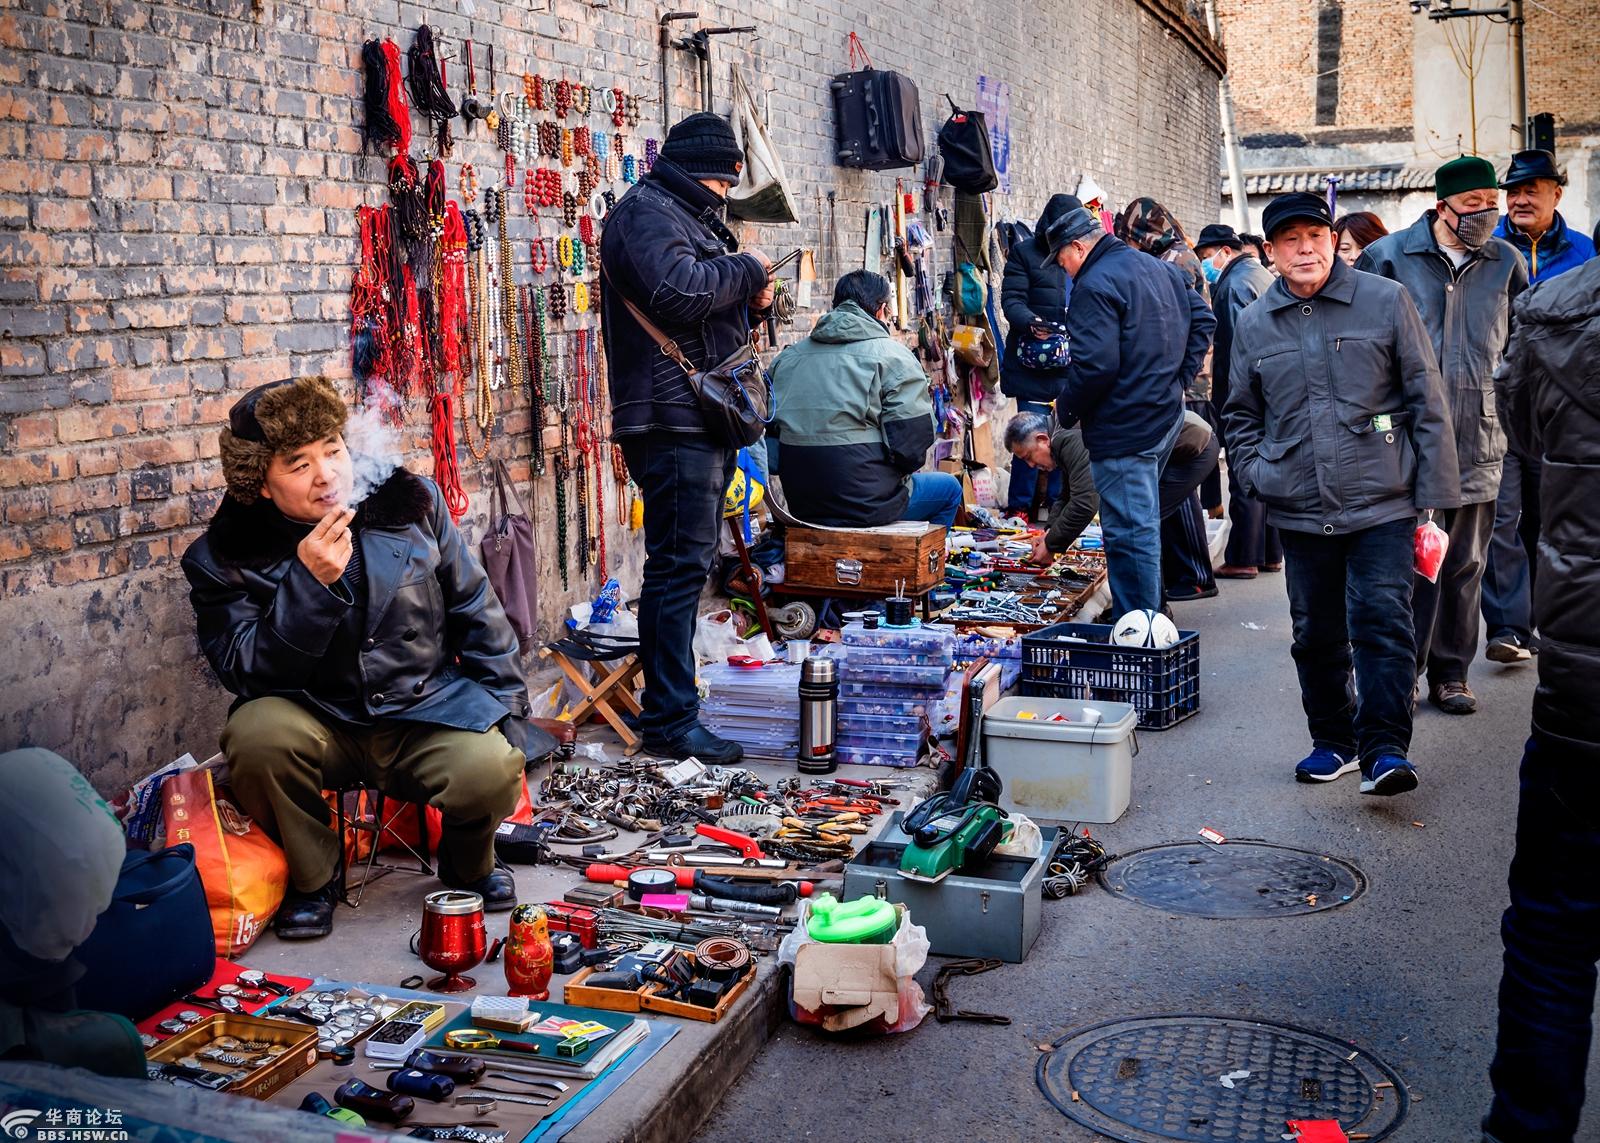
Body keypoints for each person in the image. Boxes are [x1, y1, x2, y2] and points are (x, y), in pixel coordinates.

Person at [182, 377, 553, 940]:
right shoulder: (223, 558)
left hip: (421, 712)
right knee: (254, 735)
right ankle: (316, 877)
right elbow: (246, 671)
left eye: (332, 451)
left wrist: (506, 714)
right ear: (260, 482)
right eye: (298, 464)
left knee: (492, 766)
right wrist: (309, 588)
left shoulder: (413, 506)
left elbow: (479, 612)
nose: (327, 475)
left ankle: (467, 861)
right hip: (316, 722)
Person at [1224, 192, 1459, 795]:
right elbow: (1241, 413)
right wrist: (1256, 474)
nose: (1305, 249)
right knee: (1315, 632)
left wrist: (1432, 493)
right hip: (1300, 505)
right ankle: (1333, 740)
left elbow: (1425, 399)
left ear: (1333, 241)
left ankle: (1384, 749)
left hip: (1383, 498)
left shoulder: (1384, 300)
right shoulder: (1254, 323)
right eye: (1290, 240)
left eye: (1316, 236)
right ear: (1272, 252)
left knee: (1382, 624)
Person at [599, 111, 773, 764]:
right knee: (677, 571)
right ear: (709, 173)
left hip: (694, 416)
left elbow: (705, 302)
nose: (728, 196)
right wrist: (747, 270)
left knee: (685, 567)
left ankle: (675, 710)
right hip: (670, 420)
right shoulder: (647, 214)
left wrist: (752, 301)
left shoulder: (680, 213)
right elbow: (678, 291)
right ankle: (670, 722)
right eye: (727, 184)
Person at [1481, 256, 1600, 1143]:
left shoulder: (1557, 310)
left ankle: (1525, 1130)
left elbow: (1522, 433)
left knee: (1555, 939)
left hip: (1581, 693)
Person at [1357, 156, 1529, 715]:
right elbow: (1359, 348)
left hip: (1481, 435)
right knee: (1406, 564)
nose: (1484, 216)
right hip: (1408, 441)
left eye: (1490, 204)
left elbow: (1520, 345)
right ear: (1441, 207)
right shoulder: (1387, 258)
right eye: (1471, 206)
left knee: (1464, 565)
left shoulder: (1505, 262)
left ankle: (1452, 673)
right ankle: (1401, 670)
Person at [1050, 205, 1215, 616]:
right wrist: (1176, 381)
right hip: (1161, 417)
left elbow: (1096, 366)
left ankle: (1140, 632)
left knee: (1129, 533)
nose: (1062, 268)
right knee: (1138, 523)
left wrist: (1065, 411)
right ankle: (1148, 621)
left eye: (1061, 259)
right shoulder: (1154, 266)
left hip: (1125, 428)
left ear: (1077, 247)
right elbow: (1203, 320)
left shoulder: (1094, 284)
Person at [1480, 149, 1596, 666]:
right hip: (1495, 401)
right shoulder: (1489, 249)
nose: (1521, 199)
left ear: (1556, 194)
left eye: (1533, 189)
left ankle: (1546, 622)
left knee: (1549, 522)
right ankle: (1507, 627)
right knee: (1501, 518)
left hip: (1562, 412)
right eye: (1515, 191)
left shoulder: (1585, 253)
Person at [766, 270, 960, 527]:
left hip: (802, 505)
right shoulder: (895, 358)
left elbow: (770, 452)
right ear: (881, 310)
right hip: (869, 505)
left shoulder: (786, 360)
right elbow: (911, 450)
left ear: (835, 307)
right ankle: (922, 565)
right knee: (949, 489)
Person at [1200, 222, 1282, 581]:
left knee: (1243, 471)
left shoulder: (1233, 284)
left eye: (1207, 257)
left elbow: (1236, 347)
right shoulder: (1261, 275)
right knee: (1266, 469)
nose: (1206, 265)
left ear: (1225, 251)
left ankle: (1244, 556)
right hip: (1273, 388)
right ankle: (1269, 553)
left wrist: (1234, 398)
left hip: (1246, 391)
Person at [1000, 194, 1080, 517]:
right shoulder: (1024, 253)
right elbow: (1011, 301)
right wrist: (1031, 323)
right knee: (1028, 437)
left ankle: (1056, 505)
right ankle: (1019, 506)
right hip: (1031, 365)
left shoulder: (1079, 256)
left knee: (1063, 435)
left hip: (1067, 367)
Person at [1002, 410, 1099, 562]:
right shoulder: (1060, 431)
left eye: (1029, 456)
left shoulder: (1067, 437)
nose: (1031, 465)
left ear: (1042, 439)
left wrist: (1051, 545)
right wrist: (1048, 533)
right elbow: (1066, 495)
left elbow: (1084, 503)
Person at [1159, 410, 1222, 602]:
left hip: (1195, 444)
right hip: (1187, 443)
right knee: (1167, 510)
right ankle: (1179, 577)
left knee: (1163, 511)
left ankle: (1198, 580)